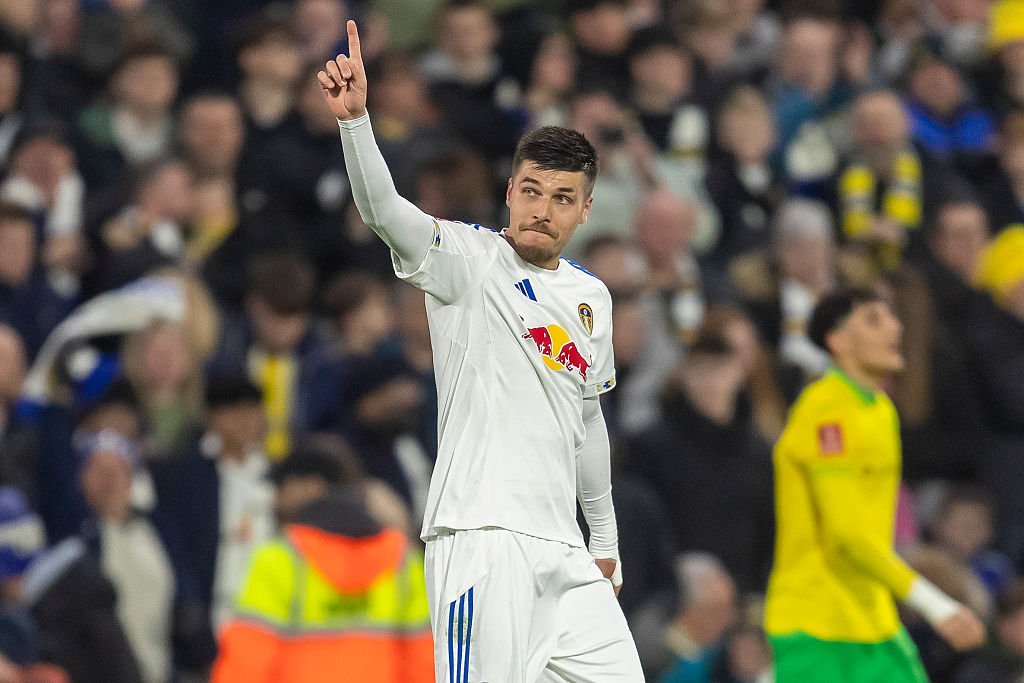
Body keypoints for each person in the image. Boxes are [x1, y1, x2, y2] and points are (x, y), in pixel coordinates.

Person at [318, 20, 643, 680]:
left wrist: (604, 539)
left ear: (585, 210)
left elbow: (587, 422)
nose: (542, 210)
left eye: (562, 198)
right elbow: (385, 211)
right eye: (531, 192)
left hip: (565, 551)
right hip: (482, 538)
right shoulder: (467, 260)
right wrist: (356, 124)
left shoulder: (591, 298)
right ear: (510, 192)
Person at [764, 287, 986, 682]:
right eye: (873, 320)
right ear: (838, 341)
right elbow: (849, 535)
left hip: (870, 621)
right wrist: (936, 604)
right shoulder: (825, 412)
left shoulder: (880, 410)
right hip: (817, 625)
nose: (894, 328)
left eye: (891, 317)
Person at [211, 443, 432, 683]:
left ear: (313, 486)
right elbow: (425, 665)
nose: (275, 499)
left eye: (283, 486)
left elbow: (246, 667)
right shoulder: (402, 561)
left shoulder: (280, 561)